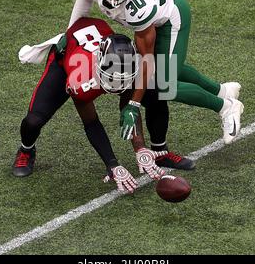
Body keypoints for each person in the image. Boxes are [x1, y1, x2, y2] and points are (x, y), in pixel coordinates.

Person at [68, 0, 244, 146]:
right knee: (169, 67)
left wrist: (133, 104)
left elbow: (147, 60)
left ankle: (226, 106)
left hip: (170, 17)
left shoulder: (140, 7)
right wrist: (69, 31)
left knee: (164, 84)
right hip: (156, 14)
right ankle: (222, 91)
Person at [13, 17, 181, 193]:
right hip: (66, 60)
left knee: (155, 93)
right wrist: (112, 164)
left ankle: (159, 145)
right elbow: (91, 123)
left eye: (123, 77)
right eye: (113, 77)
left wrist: (139, 148)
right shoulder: (80, 80)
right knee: (33, 121)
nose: (117, 84)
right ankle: (26, 149)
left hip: (98, 44)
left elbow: (129, 107)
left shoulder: (134, 64)